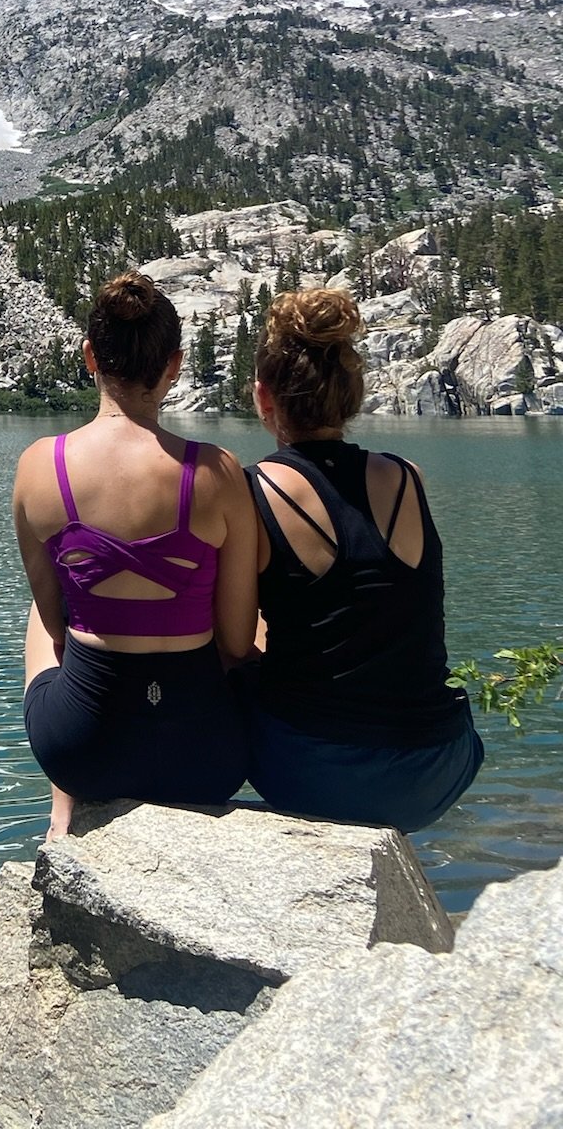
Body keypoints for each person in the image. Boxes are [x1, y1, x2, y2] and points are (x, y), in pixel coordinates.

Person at [13, 271, 258, 835]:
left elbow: (56, 623)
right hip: (206, 761)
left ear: (90, 357)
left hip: (84, 751)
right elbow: (239, 641)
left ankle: (63, 812)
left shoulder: (38, 467)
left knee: (40, 610)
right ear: (173, 365)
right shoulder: (218, 472)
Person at [240, 288, 483, 830]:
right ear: (352, 397)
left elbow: (235, 643)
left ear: (263, 398)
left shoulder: (253, 491)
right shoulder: (407, 477)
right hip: (441, 763)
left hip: (322, 772)